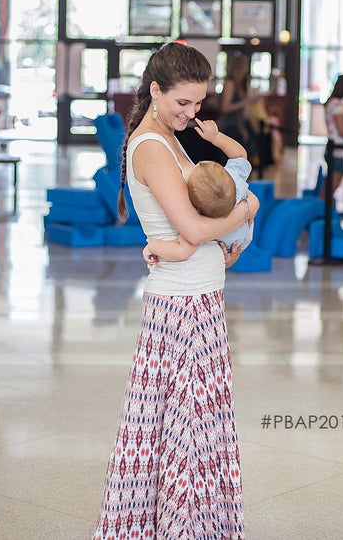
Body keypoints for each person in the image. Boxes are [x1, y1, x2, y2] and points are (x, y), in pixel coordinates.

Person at [92, 42, 259, 540]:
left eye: (198, 104)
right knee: (186, 431)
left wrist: (218, 239)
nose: (192, 113)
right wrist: (246, 210)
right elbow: (192, 225)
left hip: (196, 295)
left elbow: (195, 225)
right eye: (182, 102)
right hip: (183, 304)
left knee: (189, 428)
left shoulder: (169, 136)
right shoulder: (153, 146)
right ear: (155, 90)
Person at [143, 119, 253, 263]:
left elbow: (181, 251)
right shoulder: (235, 180)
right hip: (239, 238)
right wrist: (216, 137)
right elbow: (240, 155)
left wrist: (153, 246)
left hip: (228, 242)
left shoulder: (201, 220)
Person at [218, 52, 258, 149]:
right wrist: (246, 101)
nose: (247, 70)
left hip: (236, 126)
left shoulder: (239, 84)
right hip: (229, 126)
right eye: (245, 66)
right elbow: (225, 107)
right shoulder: (230, 83)